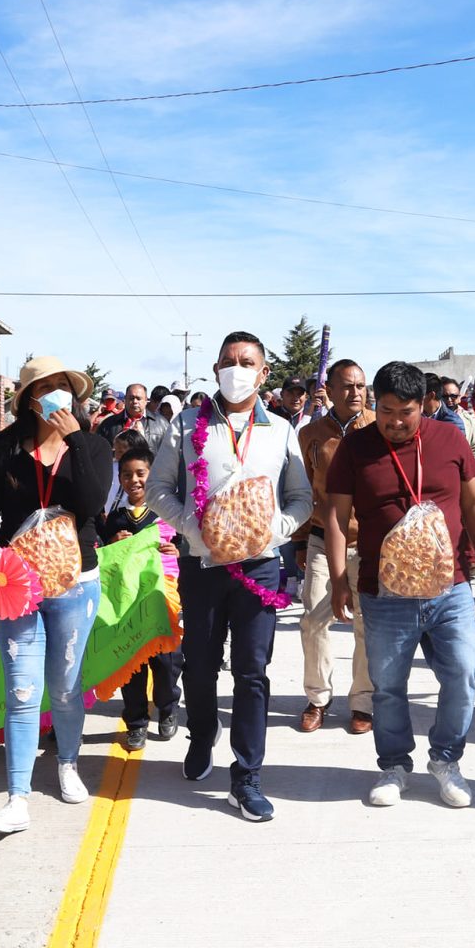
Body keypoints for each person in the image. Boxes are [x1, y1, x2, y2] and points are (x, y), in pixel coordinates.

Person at [148, 332, 313, 822]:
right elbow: (157, 489)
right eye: (227, 361)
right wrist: (195, 529)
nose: (235, 369)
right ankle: (202, 735)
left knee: (251, 672)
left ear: (264, 374)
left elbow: (302, 499)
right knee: (198, 664)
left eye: (246, 362)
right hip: (202, 564)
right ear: (215, 368)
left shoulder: (280, 430)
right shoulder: (186, 423)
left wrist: (274, 531)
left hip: (259, 566)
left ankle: (247, 777)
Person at [325, 361, 475, 808]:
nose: (396, 422)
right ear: (372, 404)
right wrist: (339, 578)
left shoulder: (451, 438)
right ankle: (394, 765)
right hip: (384, 593)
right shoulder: (356, 447)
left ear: (425, 405)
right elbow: (337, 516)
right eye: (385, 411)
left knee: (462, 674)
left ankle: (446, 759)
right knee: (387, 685)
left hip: (451, 587)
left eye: (406, 412)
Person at [0, 357, 111, 834]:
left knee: (67, 686)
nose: (54, 394)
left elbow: (93, 505)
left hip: (77, 583)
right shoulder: (5, 448)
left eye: (62, 387)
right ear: (28, 399)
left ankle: (68, 763)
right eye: (45, 388)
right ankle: (17, 798)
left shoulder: (92, 444)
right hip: (18, 584)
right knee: (22, 689)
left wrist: (75, 438)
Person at [296, 359, 375, 734]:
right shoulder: (311, 434)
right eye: (347, 386)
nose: (356, 392)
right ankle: (317, 698)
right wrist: (298, 540)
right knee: (313, 619)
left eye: (361, 386)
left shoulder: (378, 427)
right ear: (329, 388)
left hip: (369, 542)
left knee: (366, 624)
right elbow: (301, 489)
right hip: (321, 540)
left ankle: (363, 702)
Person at [97, 446, 184, 750]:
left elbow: (187, 546)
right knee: (131, 664)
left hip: (160, 602)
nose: (133, 480)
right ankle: (135, 722)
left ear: (153, 474)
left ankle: (168, 707)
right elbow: (102, 558)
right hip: (128, 607)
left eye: (140, 473)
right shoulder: (116, 520)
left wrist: (177, 552)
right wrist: (111, 543)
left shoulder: (169, 515)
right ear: (119, 479)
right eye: (126, 474)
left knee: (166, 662)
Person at [97, 383, 169, 447]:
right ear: (125, 399)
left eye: (138, 398)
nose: (135, 401)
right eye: (131, 398)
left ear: (146, 400)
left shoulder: (162, 424)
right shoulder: (108, 424)